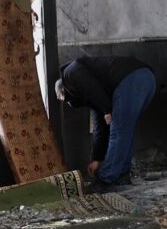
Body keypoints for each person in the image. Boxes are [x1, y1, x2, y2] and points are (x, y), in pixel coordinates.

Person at [54, 55, 156, 191]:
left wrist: (107, 109)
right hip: (146, 79)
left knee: (118, 132)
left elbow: (91, 86)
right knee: (125, 130)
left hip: (130, 79)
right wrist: (97, 159)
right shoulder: (93, 96)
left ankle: (105, 180)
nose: (69, 103)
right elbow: (99, 128)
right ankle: (121, 175)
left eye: (65, 99)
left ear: (65, 89)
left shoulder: (70, 73)